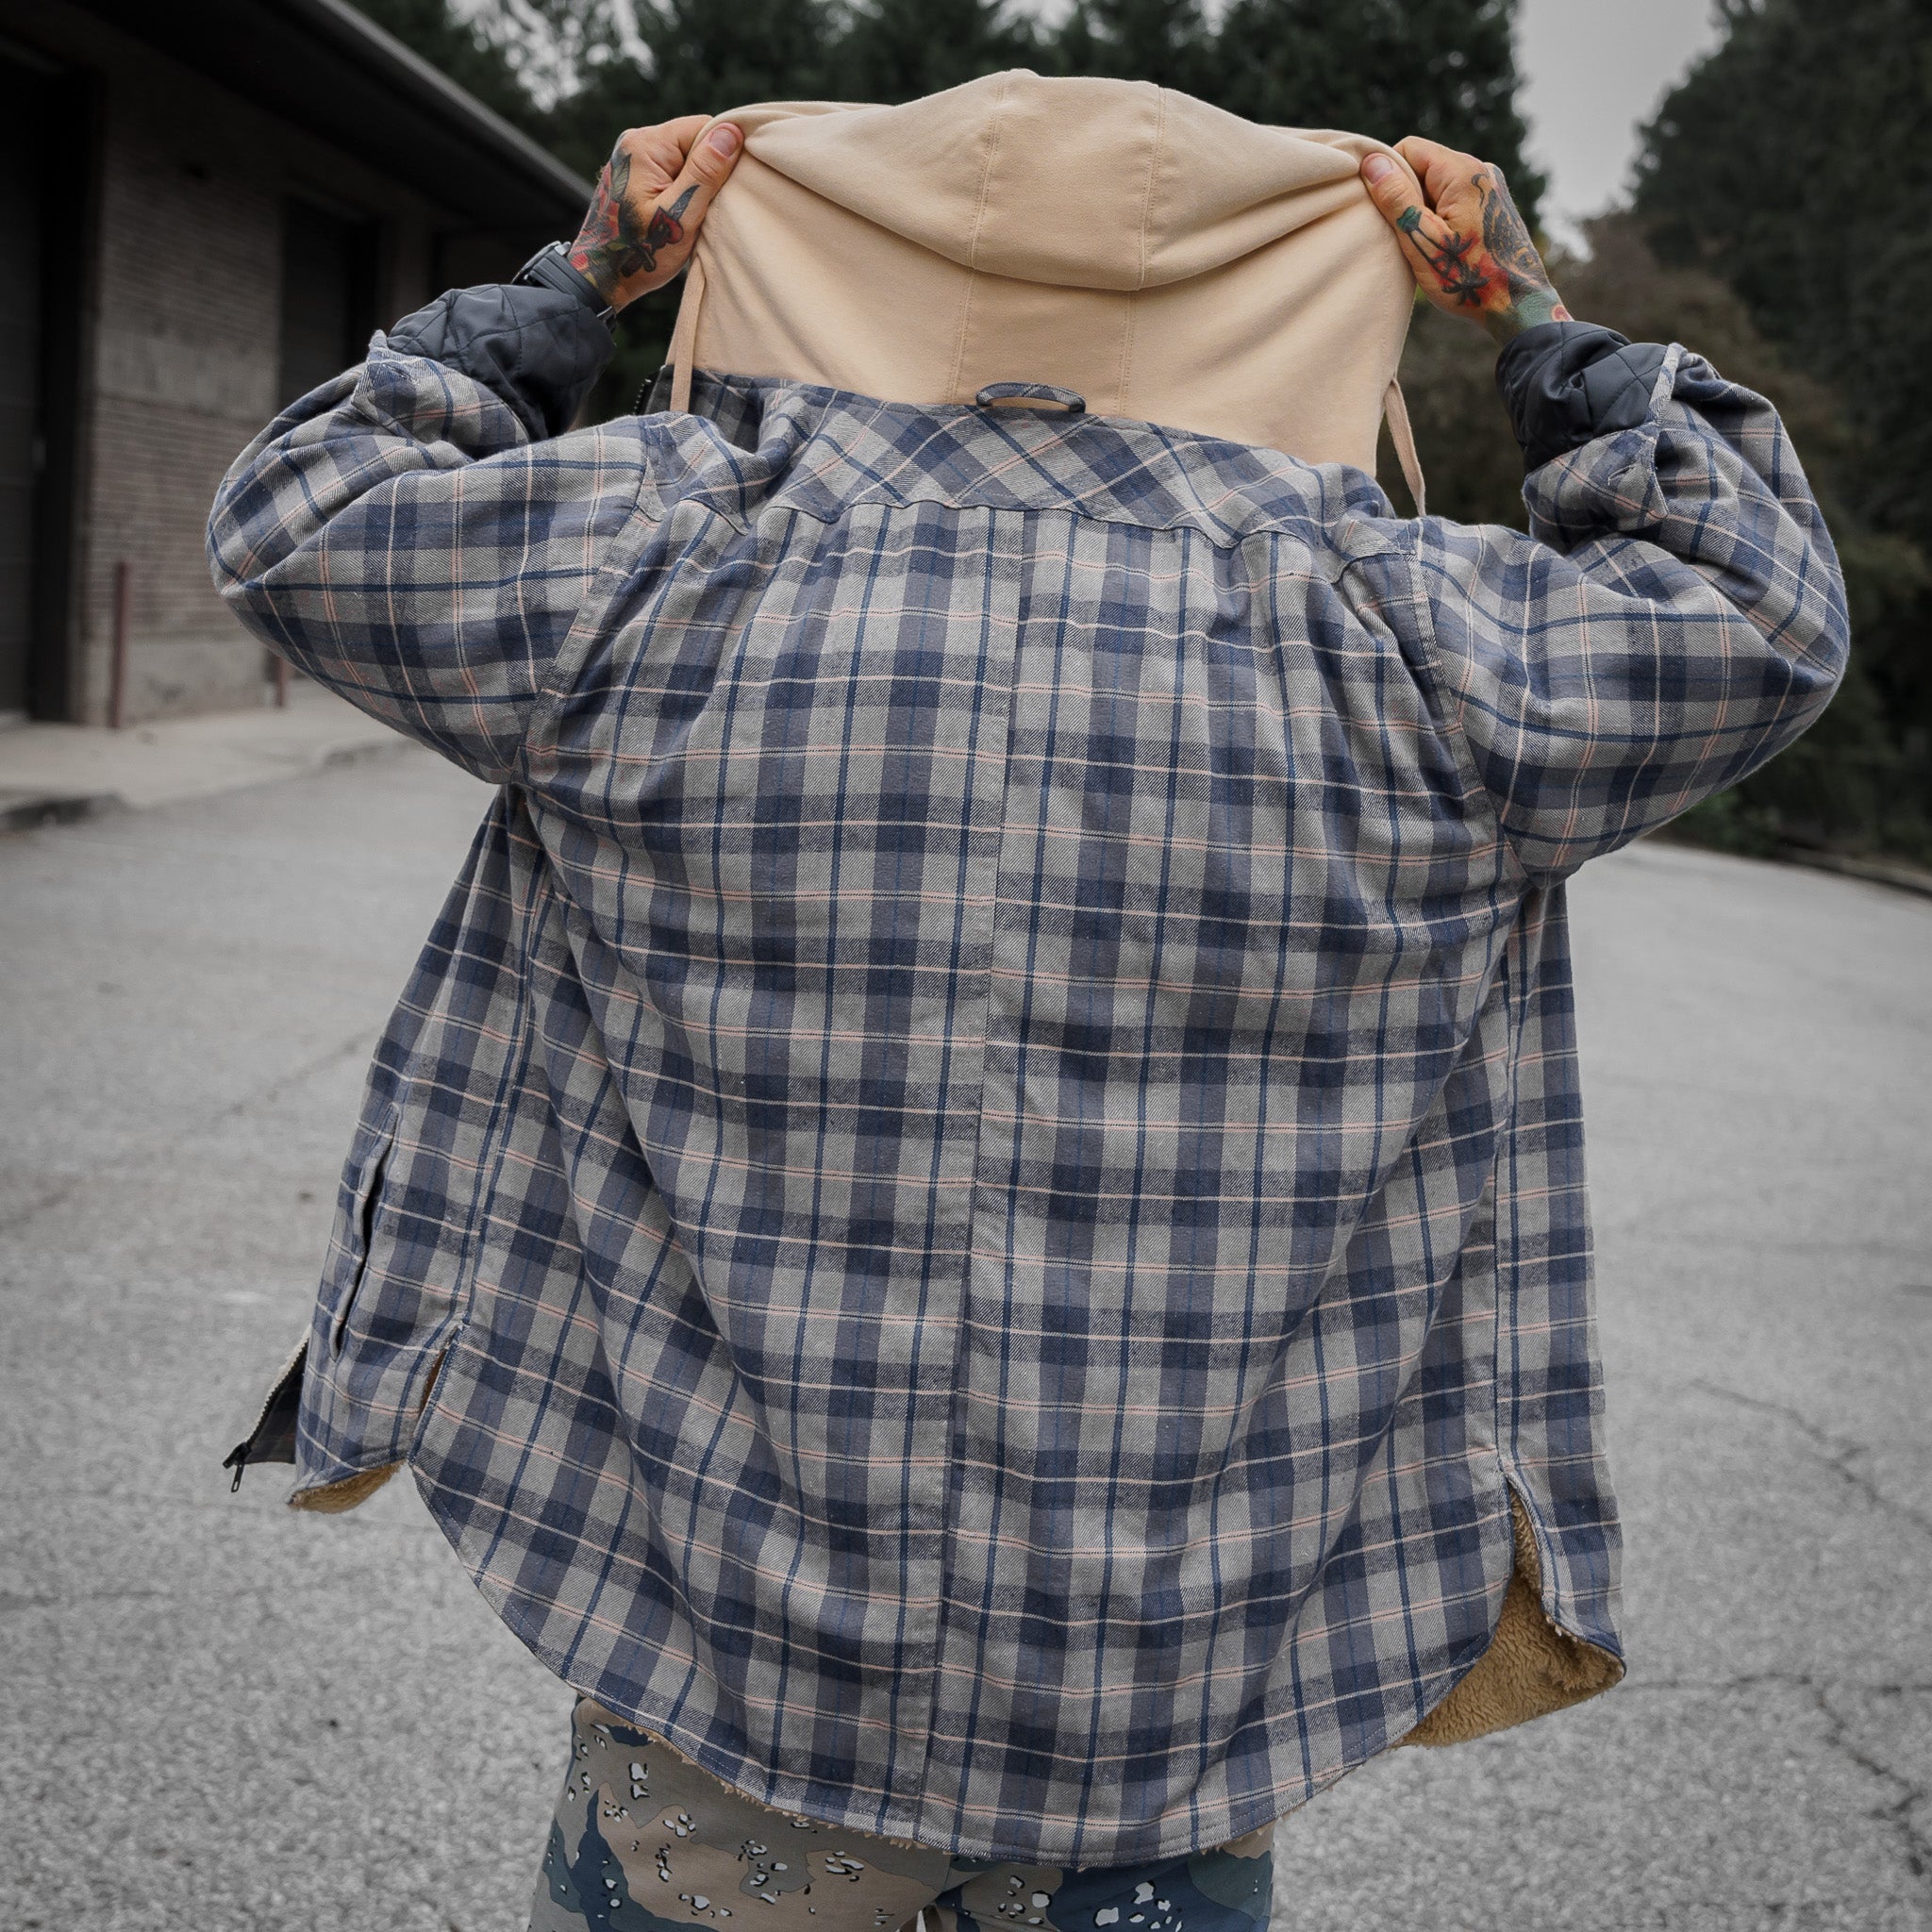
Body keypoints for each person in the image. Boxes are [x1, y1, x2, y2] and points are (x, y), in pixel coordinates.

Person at [208, 102, 1847, 1932]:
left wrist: (581, 282)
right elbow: (1757, 605)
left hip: (718, 1663)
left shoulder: (654, 561)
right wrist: (1534, 320)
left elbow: (305, 512)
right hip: (1165, 1715)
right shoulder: (1422, 648)